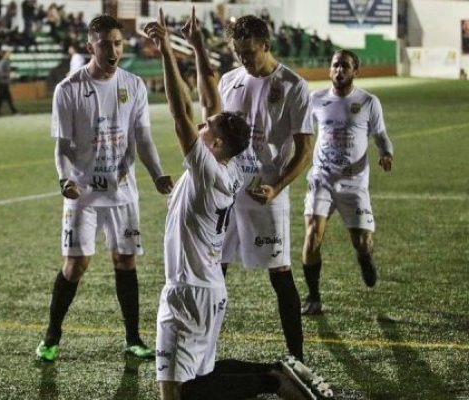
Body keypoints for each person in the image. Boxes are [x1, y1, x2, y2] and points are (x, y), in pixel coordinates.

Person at [144, 9, 331, 400]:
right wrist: (195, 45)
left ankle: (277, 376)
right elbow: (210, 97)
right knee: (197, 381)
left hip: (189, 290)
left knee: (178, 392)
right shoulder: (224, 167)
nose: (203, 123)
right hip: (207, 286)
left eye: (208, 127)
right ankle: (275, 373)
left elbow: (181, 113)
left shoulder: (209, 169)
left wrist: (165, 50)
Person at [36, 15, 174, 363]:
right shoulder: (68, 89)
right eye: (104, 44)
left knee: (125, 260)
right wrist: (64, 178)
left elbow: (142, 136)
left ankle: (133, 338)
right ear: (90, 47)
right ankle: (52, 336)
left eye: (117, 43)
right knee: (76, 264)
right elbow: (62, 146)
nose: (113, 50)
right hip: (82, 193)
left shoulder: (134, 85)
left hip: (123, 191)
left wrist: (157, 174)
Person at [218, 15, 314, 362]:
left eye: (249, 53)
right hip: (227, 194)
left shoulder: (293, 86)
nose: (243, 60)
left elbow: (305, 152)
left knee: (280, 272)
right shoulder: (229, 81)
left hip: (266, 194)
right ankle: (203, 350)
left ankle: (297, 358)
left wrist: (276, 186)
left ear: (266, 45)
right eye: (238, 53)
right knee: (216, 268)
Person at [300, 49, 393, 315]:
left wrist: (386, 152)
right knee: (312, 235)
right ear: (330, 70)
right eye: (335, 65)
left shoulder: (368, 102)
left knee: (362, 243)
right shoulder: (315, 99)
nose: (339, 70)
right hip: (322, 177)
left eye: (345, 66)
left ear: (355, 71)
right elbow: (304, 136)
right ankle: (314, 297)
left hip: (354, 181)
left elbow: (381, 135)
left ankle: (365, 259)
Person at [0, 49, 18, 116]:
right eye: (7, 54)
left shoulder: (6, 62)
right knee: (8, 98)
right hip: (2, 83)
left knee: (1, 99)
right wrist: (9, 75)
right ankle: (13, 111)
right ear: (4, 55)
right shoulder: (1, 63)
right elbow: (1, 73)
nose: (9, 55)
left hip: (5, 83)